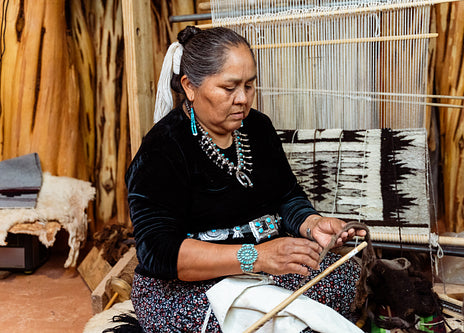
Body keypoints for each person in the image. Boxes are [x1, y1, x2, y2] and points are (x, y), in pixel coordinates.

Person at [125, 26, 366, 332]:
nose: (242, 99)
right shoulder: (162, 149)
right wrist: (256, 256)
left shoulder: (258, 128)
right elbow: (157, 251)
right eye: (229, 88)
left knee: (343, 280)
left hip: (263, 268)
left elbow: (287, 196)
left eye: (250, 86)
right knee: (240, 323)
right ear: (189, 87)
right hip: (188, 286)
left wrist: (312, 224)